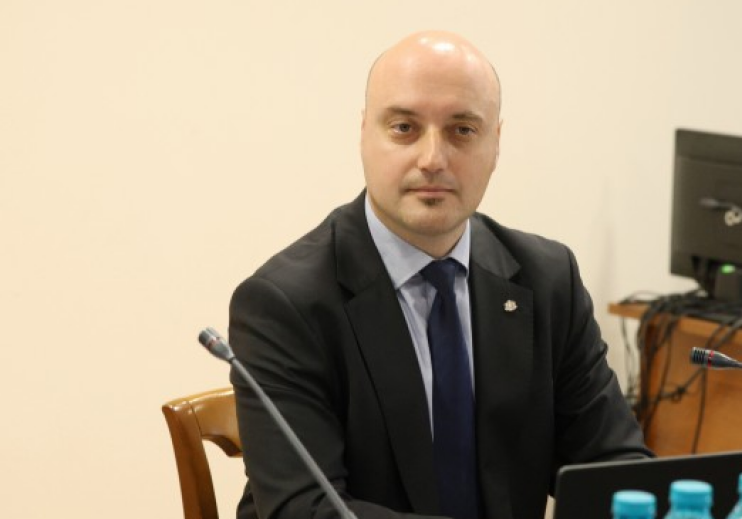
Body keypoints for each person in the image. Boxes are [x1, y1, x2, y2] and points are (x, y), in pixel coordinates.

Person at [228, 30, 652, 519]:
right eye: (404, 128)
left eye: (462, 130)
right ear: (364, 135)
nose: (432, 160)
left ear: (496, 144)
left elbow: (615, 469)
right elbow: (304, 509)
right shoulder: (285, 303)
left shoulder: (547, 280)